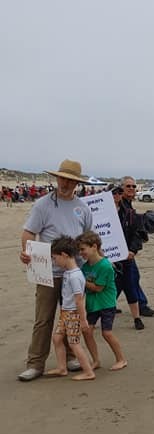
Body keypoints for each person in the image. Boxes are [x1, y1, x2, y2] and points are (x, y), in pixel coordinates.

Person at [17, 159, 94, 381]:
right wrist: (26, 253)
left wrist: (93, 264)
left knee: (72, 316)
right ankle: (35, 363)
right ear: (56, 178)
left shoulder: (83, 207)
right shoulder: (43, 205)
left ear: (76, 183)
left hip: (74, 273)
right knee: (43, 318)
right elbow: (29, 233)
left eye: (70, 180)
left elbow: (90, 238)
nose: (65, 183)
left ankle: (71, 357)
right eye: (62, 178)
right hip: (47, 273)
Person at [45, 236, 95, 381]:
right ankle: (62, 368)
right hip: (65, 312)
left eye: (55, 258)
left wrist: (83, 319)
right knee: (57, 338)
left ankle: (88, 371)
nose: (55, 261)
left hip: (73, 313)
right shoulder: (68, 273)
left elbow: (79, 300)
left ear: (64, 255)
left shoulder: (75, 276)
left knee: (74, 343)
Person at [78, 230, 127, 371]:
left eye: (83, 249)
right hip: (92, 304)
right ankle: (96, 360)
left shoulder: (105, 266)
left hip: (106, 304)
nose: (81, 253)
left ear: (94, 246)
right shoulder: (85, 267)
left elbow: (98, 288)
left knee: (107, 333)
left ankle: (121, 359)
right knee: (87, 331)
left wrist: (80, 281)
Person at [115, 176, 152, 330]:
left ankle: (139, 307)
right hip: (116, 252)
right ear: (121, 188)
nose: (131, 189)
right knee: (120, 281)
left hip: (127, 251)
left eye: (133, 186)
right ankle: (139, 307)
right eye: (128, 186)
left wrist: (133, 249)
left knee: (128, 279)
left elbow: (136, 231)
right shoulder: (117, 206)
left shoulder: (129, 207)